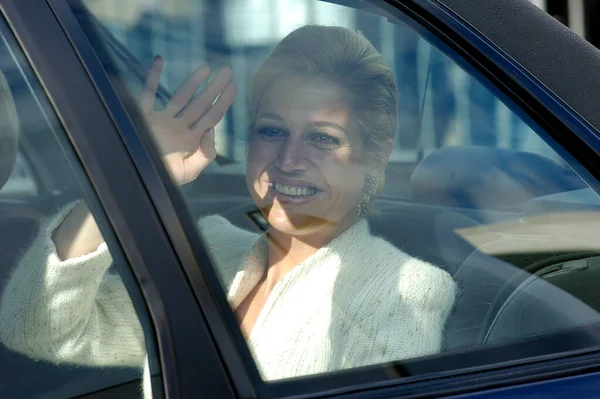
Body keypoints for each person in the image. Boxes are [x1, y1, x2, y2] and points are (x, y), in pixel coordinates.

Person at [0, 25, 456, 398]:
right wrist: (129, 176)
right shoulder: (216, 247)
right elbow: (36, 329)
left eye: (322, 137)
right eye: (272, 131)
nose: (289, 160)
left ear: (375, 158)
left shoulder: (406, 289)